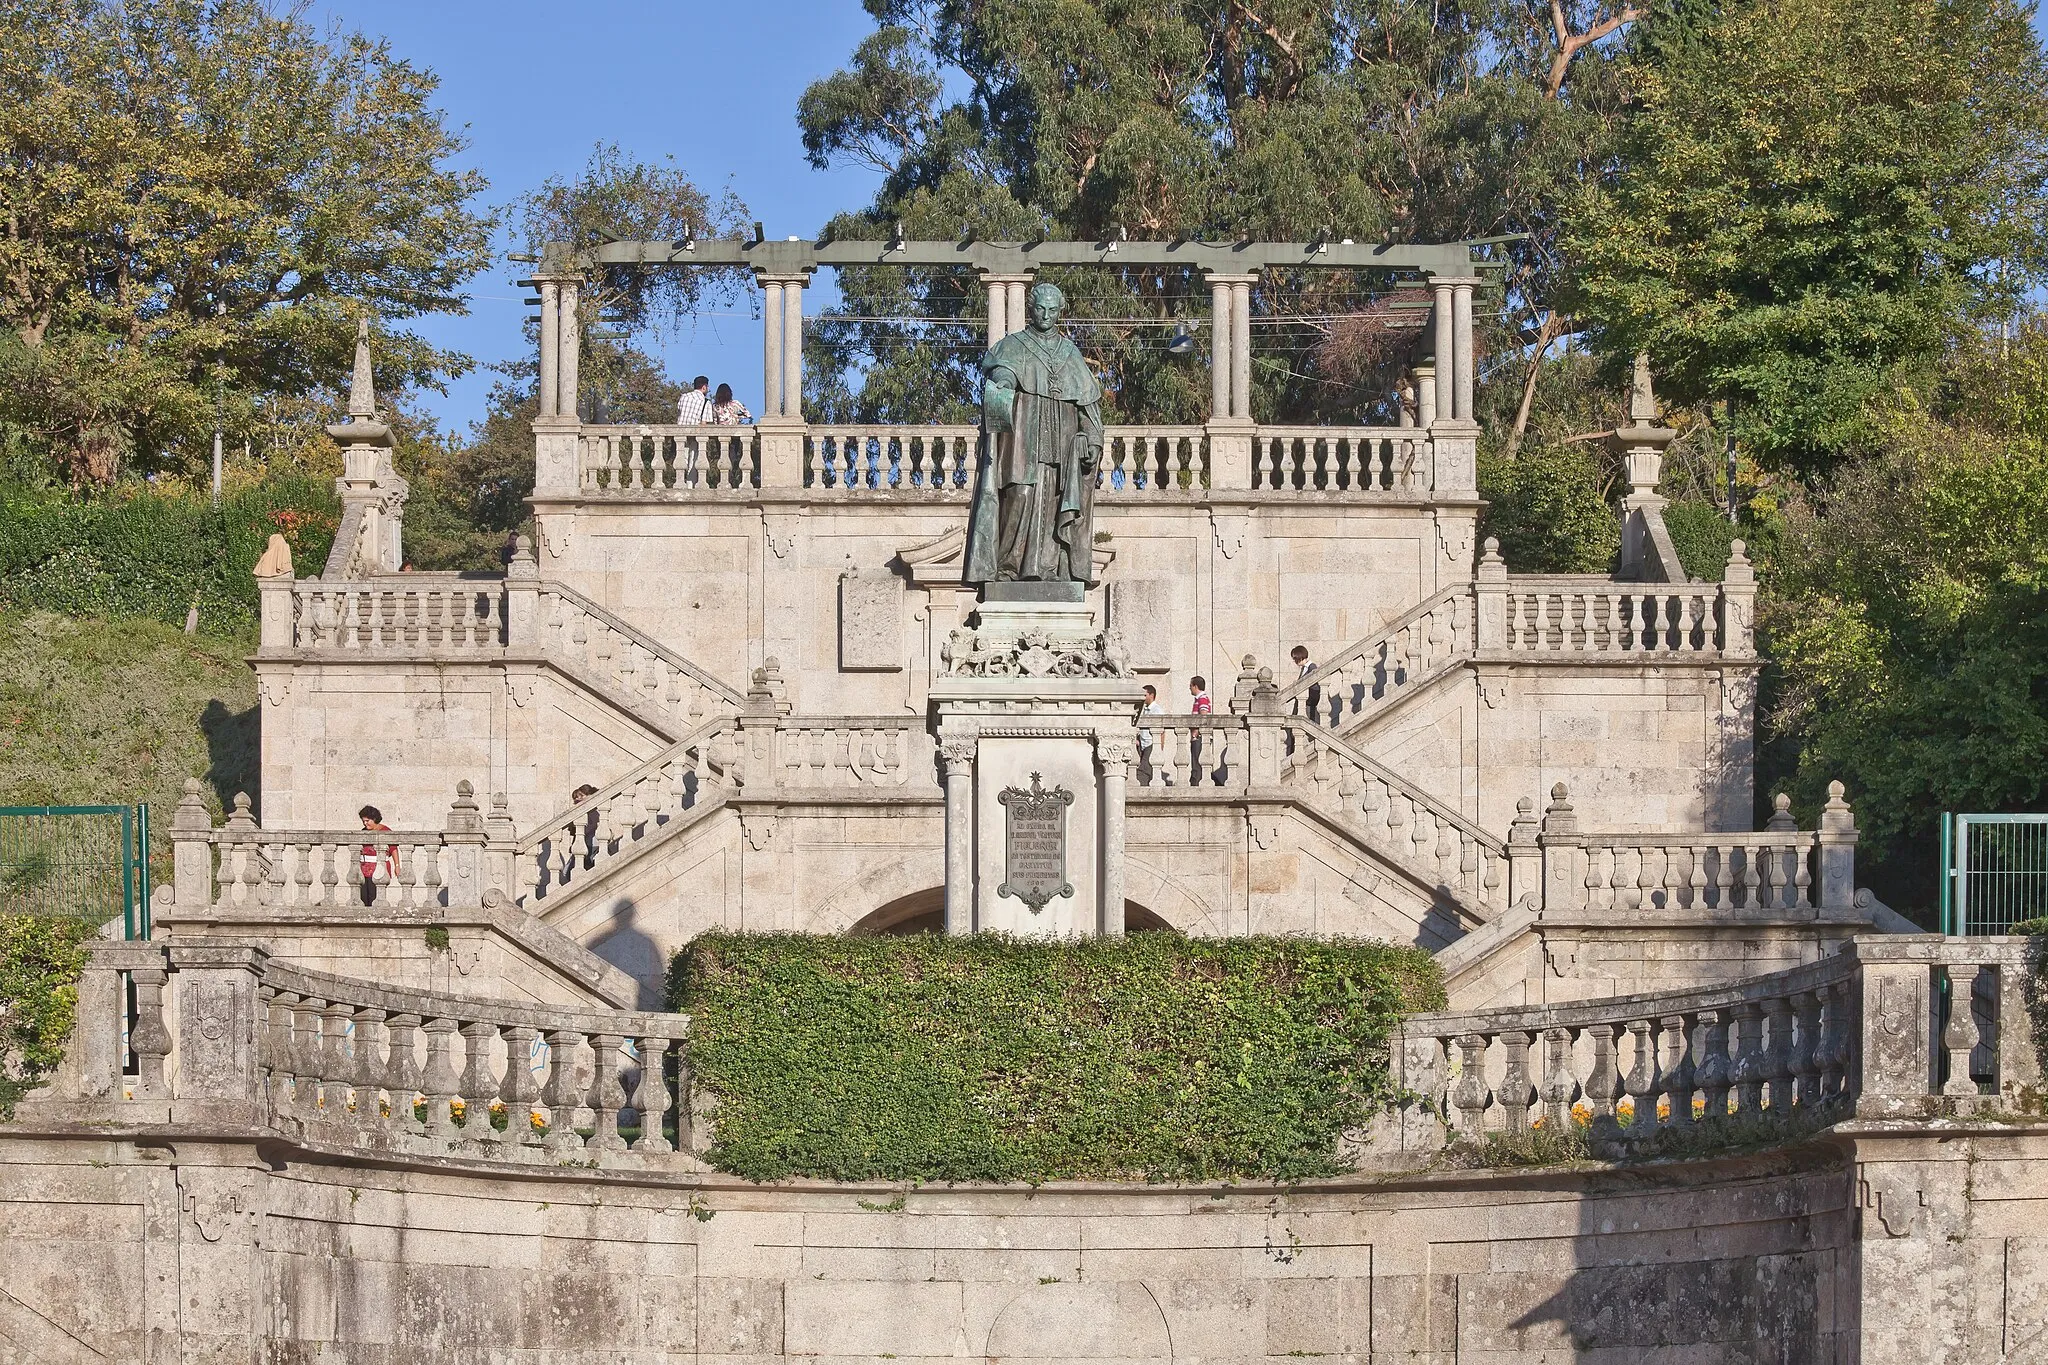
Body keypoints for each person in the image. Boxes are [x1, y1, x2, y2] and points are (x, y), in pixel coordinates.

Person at [357, 805, 398, 906]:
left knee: (373, 896)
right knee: (363, 896)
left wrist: (397, 866)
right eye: (363, 821)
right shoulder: (363, 831)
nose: (365, 823)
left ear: (374, 819)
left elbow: (393, 849)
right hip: (363, 868)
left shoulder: (385, 831)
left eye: (367, 821)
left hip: (377, 867)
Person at [1137, 684, 1164, 785]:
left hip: (1151, 744)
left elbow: (1161, 731)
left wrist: (1159, 747)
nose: (1143, 697)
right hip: (1143, 745)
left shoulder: (1157, 710)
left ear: (1151, 695)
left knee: (1143, 770)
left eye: (1145, 695)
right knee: (1148, 770)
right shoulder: (1144, 709)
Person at [1188, 675, 1211, 783]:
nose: (1190, 688)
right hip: (1198, 735)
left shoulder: (1202, 698)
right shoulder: (1201, 698)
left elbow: (1203, 714)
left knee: (1197, 762)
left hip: (1199, 736)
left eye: (1191, 686)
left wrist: (1196, 732)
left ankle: (1196, 782)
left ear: (1195, 686)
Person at [1290, 644, 1322, 723]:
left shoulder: (1312, 667)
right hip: (1305, 702)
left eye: (1295, 659)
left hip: (1310, 702)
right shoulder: (1304, 668)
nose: (1295, 661)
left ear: (1300, 657)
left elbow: (1315, 687)